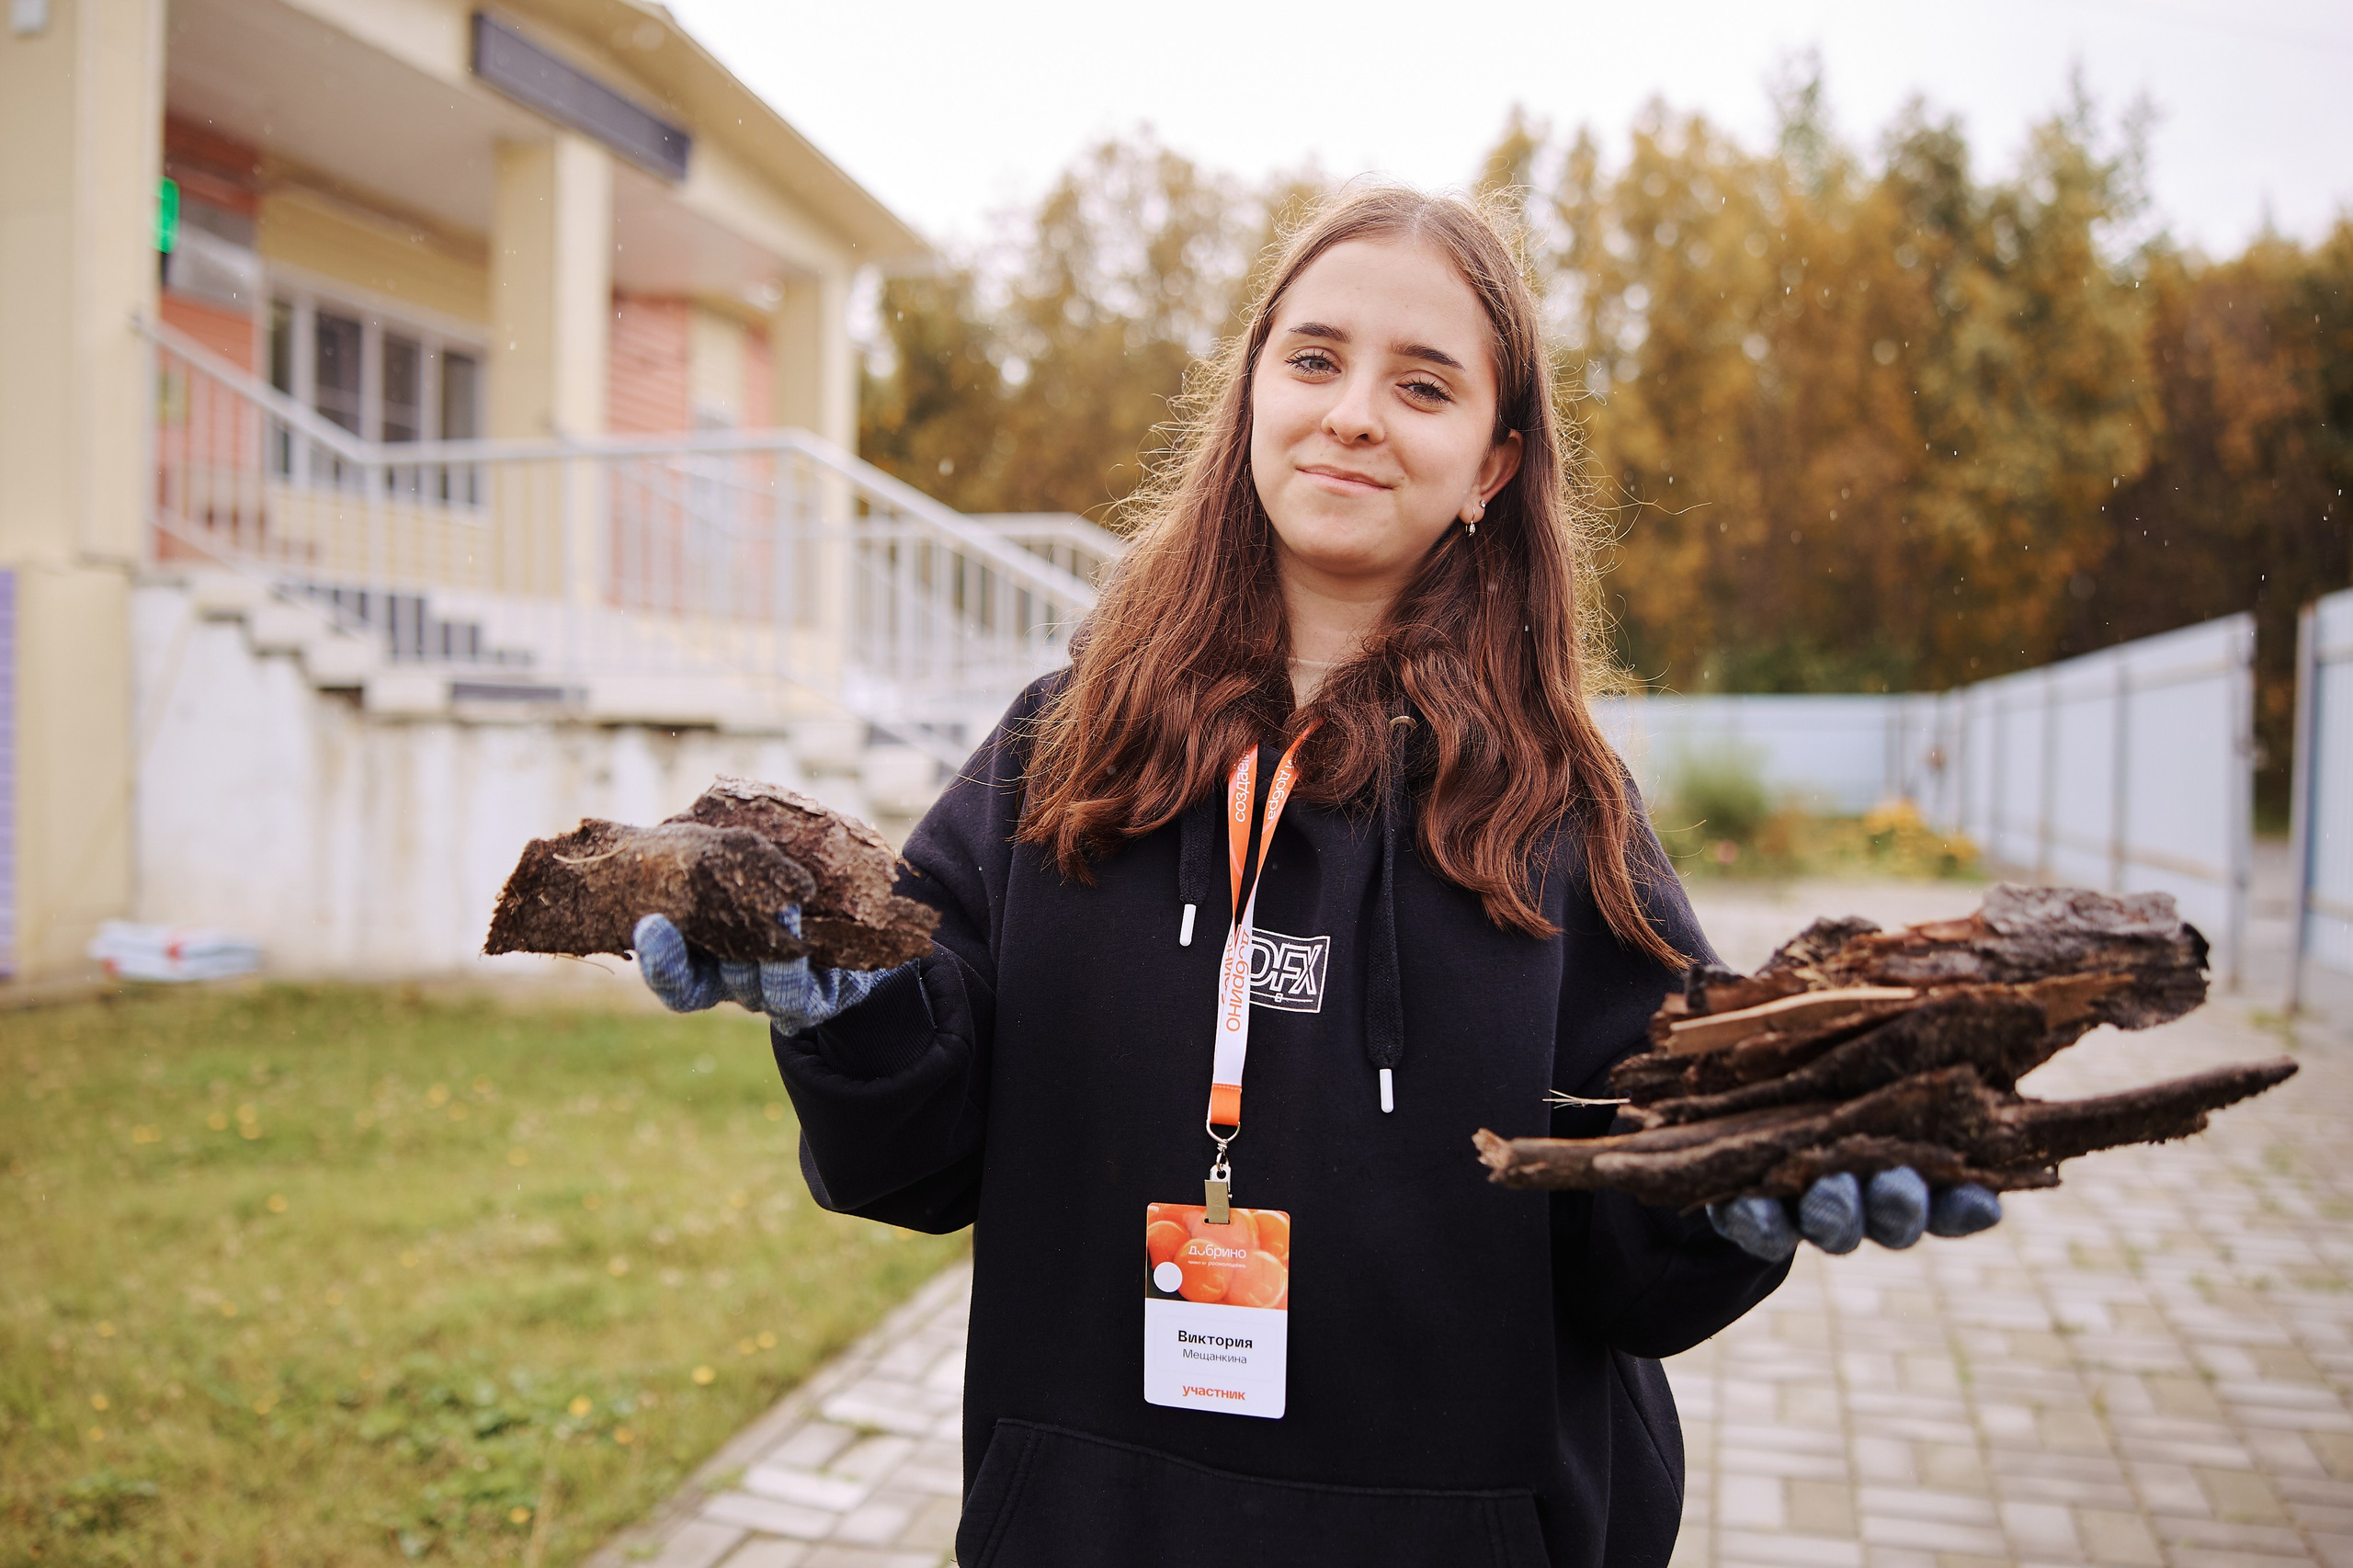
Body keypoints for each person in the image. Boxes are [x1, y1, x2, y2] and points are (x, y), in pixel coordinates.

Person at [633, 187, 2001, 1568]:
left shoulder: (1561, 808)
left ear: (1492, 466)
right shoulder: (1064, 747)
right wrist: (841, 1009)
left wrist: (1741, 1189)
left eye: (1422, 383)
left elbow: (1632, 1244)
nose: (1354, 412)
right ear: (1248, 402)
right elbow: (914, 1152)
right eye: (1314, 359)